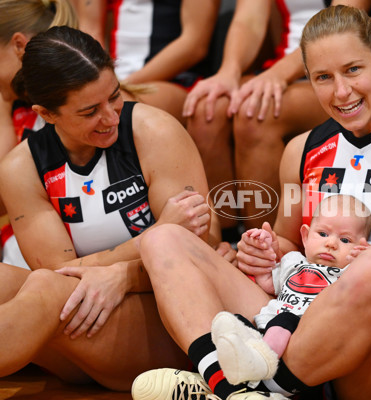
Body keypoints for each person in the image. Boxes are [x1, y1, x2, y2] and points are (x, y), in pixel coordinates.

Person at [131, 5, 371, 400]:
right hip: (293, 317)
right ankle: (235, 388)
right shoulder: (301, 151)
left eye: (352, 70)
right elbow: (289, 243)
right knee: (163, 239)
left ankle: (248, 388)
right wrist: (263, 252)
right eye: (323, 78)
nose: (341, 92)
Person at [0, 25, 229, 391]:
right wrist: (151, 239)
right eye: (90, 111)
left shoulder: (154, 131)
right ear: (47, 114)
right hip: (80, 318)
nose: (110, 117)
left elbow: (199, 252)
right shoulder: (20, 167)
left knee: (43, 289)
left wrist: (122, 277)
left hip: (170, 317)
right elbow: (64, 273)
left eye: (115, 96)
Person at [183, 0, 371, 238]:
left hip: (334, 70)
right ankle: (226, 243)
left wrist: (277, 74)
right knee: (208, 109)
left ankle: (264, 244)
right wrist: (229, 71)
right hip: (280, 68)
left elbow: (342, 24)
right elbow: (248, 20)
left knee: (255, 112)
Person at [210, 194, 371, 386]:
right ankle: (223, 371)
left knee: (284, 320)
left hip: (304, 335)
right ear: (305, 236)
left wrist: (362, 262)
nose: (331, 244)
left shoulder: (346, 274)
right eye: (322, 234)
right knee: (238, 321)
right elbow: (270, 284)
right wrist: (265, 252)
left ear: (360, 248)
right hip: (268, 324)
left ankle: (258, 369)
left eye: (345, 240)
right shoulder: (293, 261)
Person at [0, 0, 80, 269]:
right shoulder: (13, 107)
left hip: (68, 269)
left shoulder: (80, 108)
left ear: (19, 45)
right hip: (25, 260)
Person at [71, 0, 228, 125]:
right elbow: (90, 30)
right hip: (113, 76)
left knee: (116, 110)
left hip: (171, 79)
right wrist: (97, 81)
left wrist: (117, 85)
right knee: (65, 106)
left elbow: (194, 45)